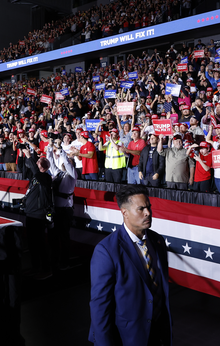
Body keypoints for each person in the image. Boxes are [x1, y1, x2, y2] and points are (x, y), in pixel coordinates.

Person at [89, 185, 172, 346]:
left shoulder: (158, 241)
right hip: (128, 336)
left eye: (148, 207)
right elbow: (100, 306)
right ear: (124, 212)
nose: (148, 213)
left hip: (159, 333)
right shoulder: (106, 250)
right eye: (141, 209)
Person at [22, 147, 54, 280]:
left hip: (39, 215)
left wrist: (30, 156)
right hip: (30, 213)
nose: (35, 164)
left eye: (38, 162)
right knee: (32, 243)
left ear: (43, 166)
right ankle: (35, 267)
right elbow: (24, 169)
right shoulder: (36, 176)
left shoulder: (45, 177)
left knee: (40, 243)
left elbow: (36, 172)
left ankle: (46, 269)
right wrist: (23, 157)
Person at [46, 143, 77, 271]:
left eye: (68, 161)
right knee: (53, 236)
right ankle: (54, 259)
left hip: (65, 211)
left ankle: (65, 261)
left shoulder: (72, 176)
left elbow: (68, 164)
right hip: (56, 210)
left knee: (64, 237)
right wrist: (49, 148)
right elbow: (51, 163)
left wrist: (61, 150)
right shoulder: (59, 174)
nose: (66, 162)